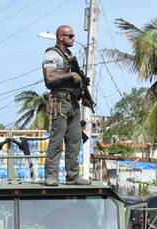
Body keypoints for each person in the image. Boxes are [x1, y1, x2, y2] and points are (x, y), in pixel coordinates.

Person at [41, 25, 89, 187]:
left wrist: (82, 90)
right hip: (59, 100)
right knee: (57, 139)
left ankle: (73, 175)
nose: (73, 39)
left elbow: (75, 80)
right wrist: (71, 75)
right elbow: (50, 77)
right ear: (61, 37)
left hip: (73, 101)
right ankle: (51, 176)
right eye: (70, 36)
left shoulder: (70, 55)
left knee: (75, 140)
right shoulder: (51, 54)